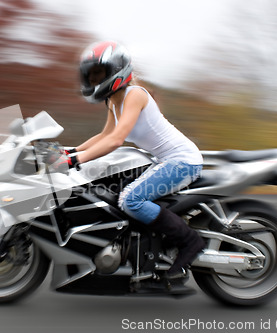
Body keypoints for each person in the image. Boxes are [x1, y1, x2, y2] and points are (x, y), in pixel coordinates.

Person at [63, 41, 205, 279]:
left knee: (131, 199)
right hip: (164, 161)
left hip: (182, 162)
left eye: (99, 73)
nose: (94, 80)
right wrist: (70, 153)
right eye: (90, 75)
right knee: (113, 190)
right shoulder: (113, 101)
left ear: (116, 71)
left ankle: (190, 242)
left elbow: (116, 140)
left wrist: (74, 161)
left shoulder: (135, 95)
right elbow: (105, 135)